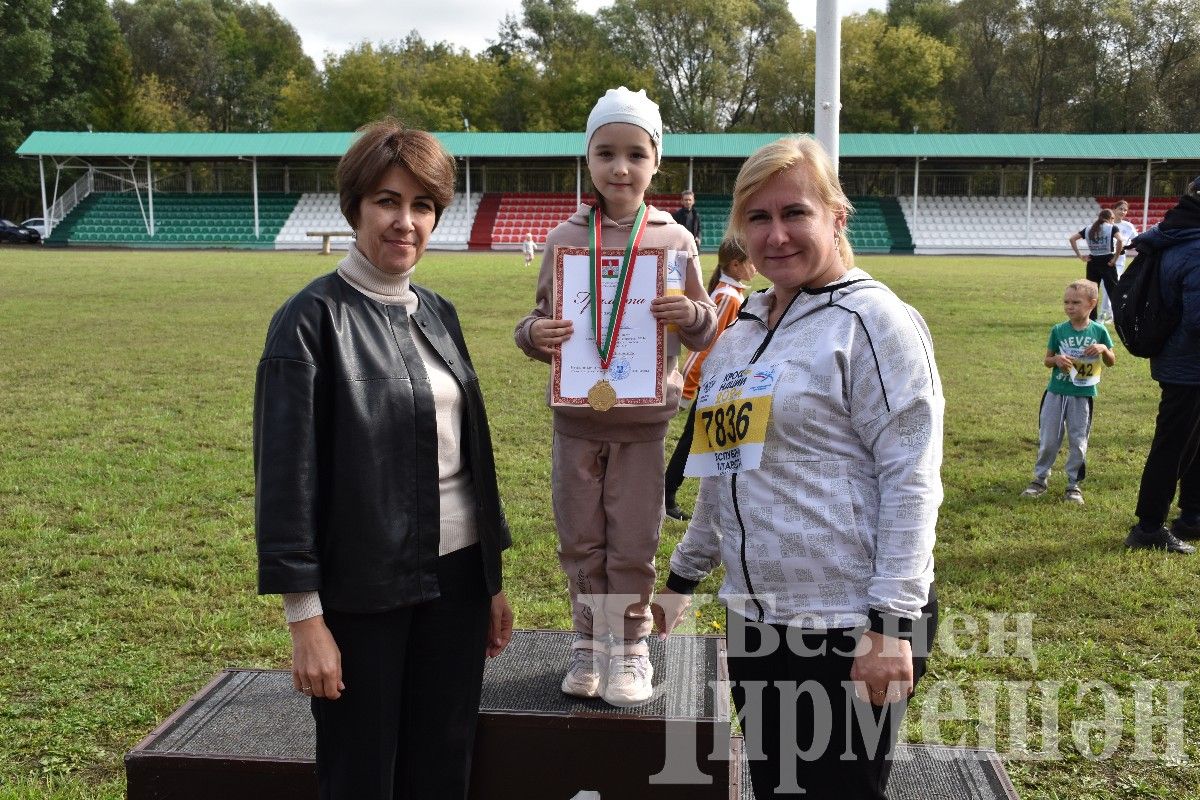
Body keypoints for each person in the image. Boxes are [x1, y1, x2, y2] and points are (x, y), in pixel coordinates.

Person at [653, 136, 941, 799]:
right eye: (758, 218)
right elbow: (725, 472)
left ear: (836, 217)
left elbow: (912, 478)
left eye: (795, 214)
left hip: (850, 622)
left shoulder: (875, 321)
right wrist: (682, 579)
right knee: (778, 786)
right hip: (759, 620)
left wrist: (892, 625)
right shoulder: (743, 328)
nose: (776, 235)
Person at [255, 118, 514, 799]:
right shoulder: (309, 321)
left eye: (422, 205)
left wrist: (488, 579)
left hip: (457, 586)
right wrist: (304, 618)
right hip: (362, 592)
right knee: (361, 773)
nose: (406, 221)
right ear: (355, 208)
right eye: (388, 202)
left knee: (444, 764)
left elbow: (469, 461)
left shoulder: (440, 312)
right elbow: (286, 482)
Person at [514, 87, 717, 706]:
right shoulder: (563, 239)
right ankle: (587, 641)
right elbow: (537, 321)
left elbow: (707, 323)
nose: (620, 167)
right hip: (576, 420)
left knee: (633, 536)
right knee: (580, 535)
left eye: (635, 153)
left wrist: (688, 313)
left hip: (643, 422)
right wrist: (534, 334)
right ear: (588, 160)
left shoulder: (675, 240)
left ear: (657, 160)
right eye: (606, 153)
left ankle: (629, 644)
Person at [1125, 176, 1200, 554]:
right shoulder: (1195, 246)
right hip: (1188, 363)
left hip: (1179, 359)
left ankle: (1192, 516)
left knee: (1193, 441)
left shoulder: (1177, 234)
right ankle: (1149, 527)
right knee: (1172, 445)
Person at [663, 238, 757, 521]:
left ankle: (668, 492)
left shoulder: (730, 292)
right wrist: (691, 384)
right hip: (711, 383)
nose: (755, 266)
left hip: (720, 381)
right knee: (695, 440)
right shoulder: (727, 296)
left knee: (701, 440)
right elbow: (706, 344)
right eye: (750, 261)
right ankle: (666, 494)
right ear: (736, 265)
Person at [1019, 280, 1116, 505]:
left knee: (1078, 439)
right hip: (1056, 392)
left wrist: (1103, 349)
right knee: (1049, 438)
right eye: (1066, 302)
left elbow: (1111, 361)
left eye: (1076, 302)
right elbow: (1047, 360)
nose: (1069, 306)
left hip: (1082, 395)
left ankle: (1073, 485)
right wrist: (1057, 360)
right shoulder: (1058, 330)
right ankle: (1040, 479)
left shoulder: (1099, 331)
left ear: (1092, 304)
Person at [1069, 209, 1125, 321]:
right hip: (1107, 262)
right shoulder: (1112, 228)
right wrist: (1115, 258)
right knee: (1114, 292)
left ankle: (1091, 318)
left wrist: (1080, 256)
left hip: (1092, 262)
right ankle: (1119, 317)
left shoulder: (1089, 228)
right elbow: (1120, 240)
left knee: (1091, 292)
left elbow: (1072, 239)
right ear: (1111, 218)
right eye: (1113, 219)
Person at [1099, 200, 1139, 320]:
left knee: (1109, 287)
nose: (1123, 212)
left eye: (1125, 210)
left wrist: (1126, 247)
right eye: (1120, 209)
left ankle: (1102, 314)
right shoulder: (1106, 226)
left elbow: (1137, 240)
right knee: (1105, 287)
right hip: (1103, 260)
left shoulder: (1128, 226)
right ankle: (1112, 314)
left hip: (1119, 262)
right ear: (1114, 209)